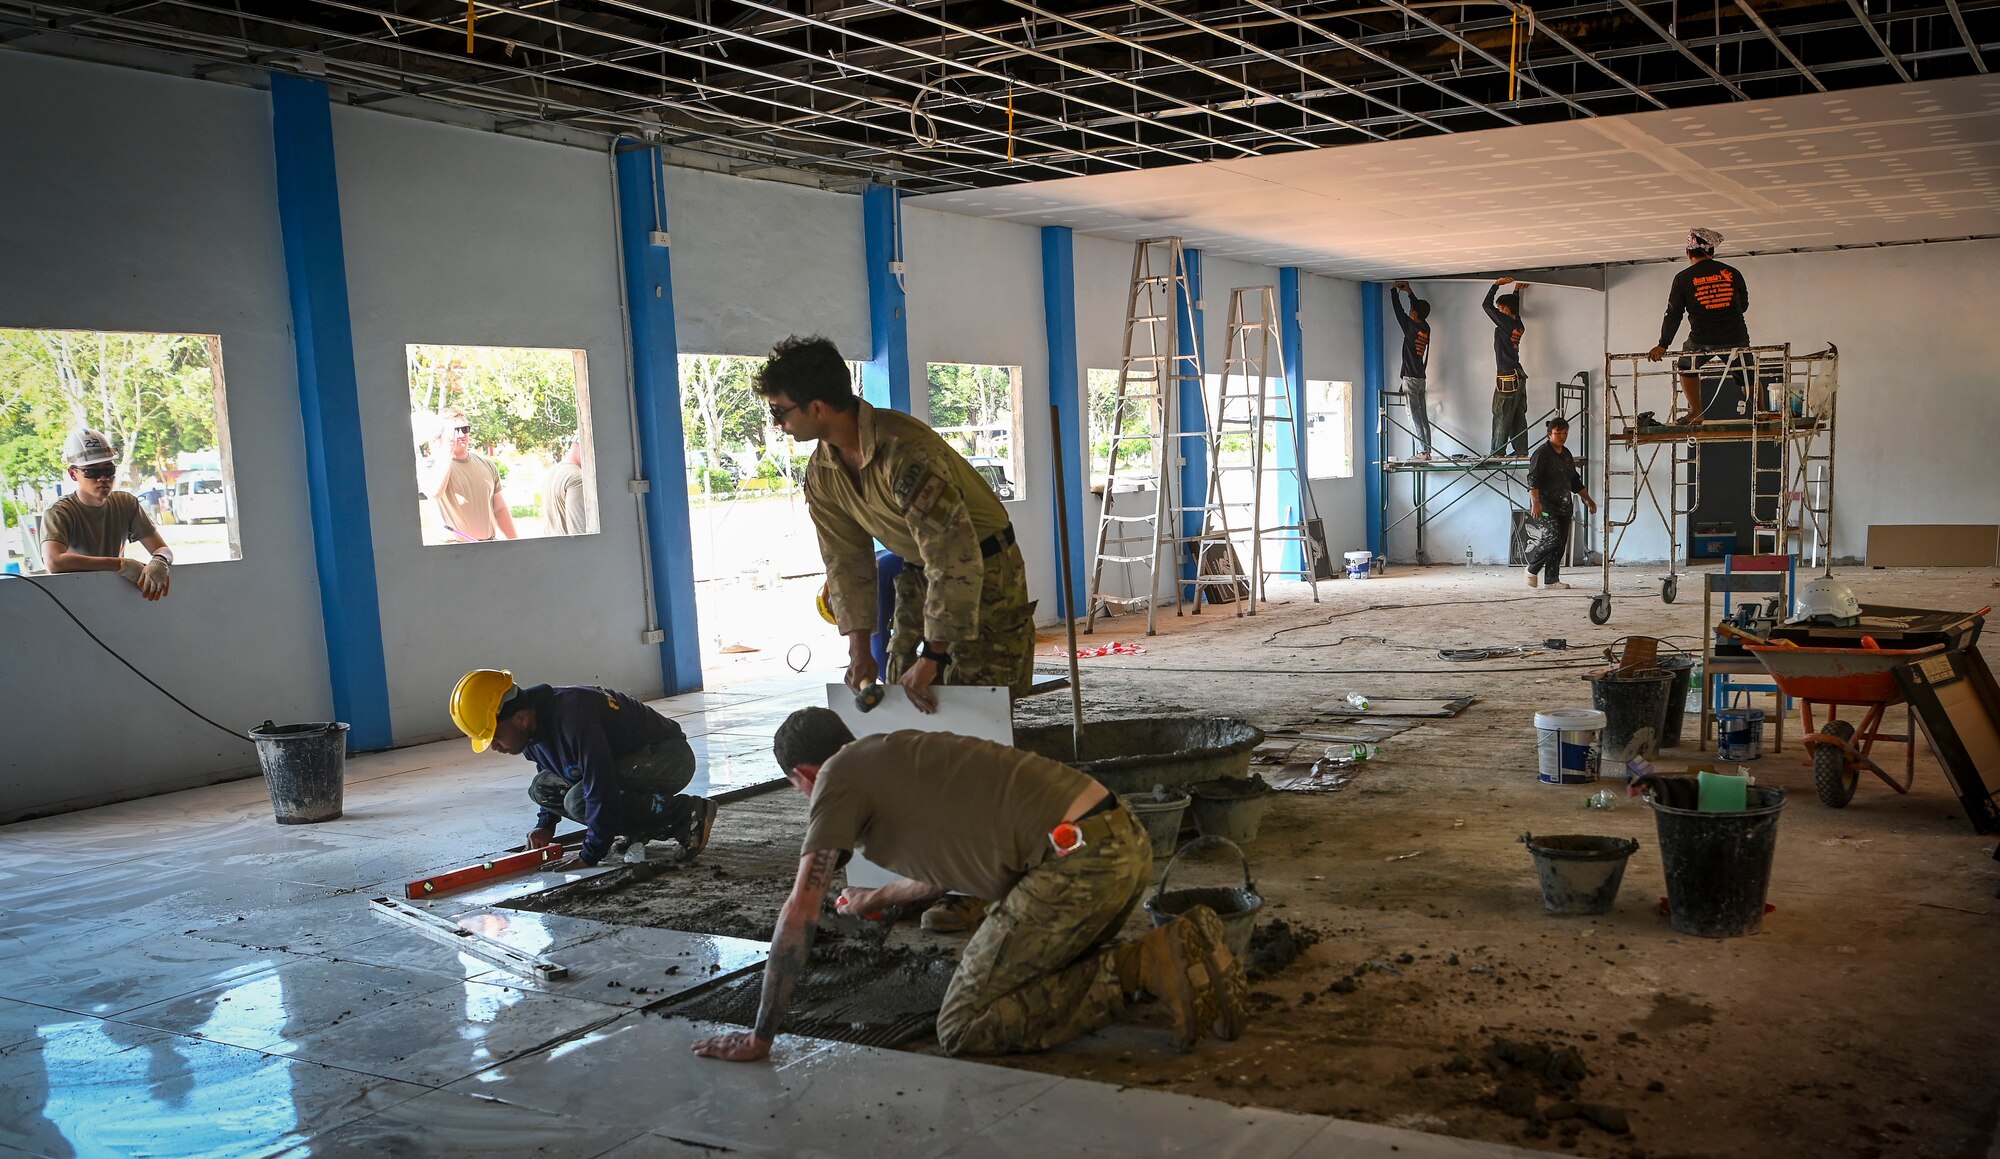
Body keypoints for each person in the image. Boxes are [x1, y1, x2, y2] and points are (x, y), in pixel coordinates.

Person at [689, 708, 1248, 1063]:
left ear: (804, 777)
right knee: (1019, 978)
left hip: (1075, 867)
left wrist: (761, 1036)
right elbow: (944, 869)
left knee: (961, 1025)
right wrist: (876, 897)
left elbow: (799, 912)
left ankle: (1147, 964)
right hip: (1115, 840)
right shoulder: (895, 755)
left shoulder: (834, 779)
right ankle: (1171, 952)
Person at [755, 335, 1035, 712]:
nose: (779, 425)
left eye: (780, 412)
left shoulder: (906, 453)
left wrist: (933, 657)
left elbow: (954, 557)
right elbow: (846, 562)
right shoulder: (823, 472)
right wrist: (858, 652)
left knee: (975, 700)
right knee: (903, 689)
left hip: (984, 570)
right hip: (920, 571)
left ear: (817, 407)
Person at [448, 669, 718, 869]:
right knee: (542, 788)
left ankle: (688, 814)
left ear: (520, 718)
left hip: (668, 758)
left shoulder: (573, 717)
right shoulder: (532, 731)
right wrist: (546, 826)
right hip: (630, 763)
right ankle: (641, 827)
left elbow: (600, 786)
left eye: (494, 736)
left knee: (580, 801)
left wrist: (590, 855)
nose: (494, 746)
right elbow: (554, 772)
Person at [39, 428, 173, 601]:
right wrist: (120, 564)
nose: (103, 478)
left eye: (109, 470)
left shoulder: (126, 504)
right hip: (74, 598)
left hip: (112, 595)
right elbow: (54, 561)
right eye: (92, 472)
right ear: (73, 474)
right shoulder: (60, 512)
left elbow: (162, 549)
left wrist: (160, 560)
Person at [1648, 228, 1751, 425]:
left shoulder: (1683, 278)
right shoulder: (1732, 273)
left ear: (1688, 253)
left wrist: (1663, 344)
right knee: (1747, 372)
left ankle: (1696, 411)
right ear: (1711, 252)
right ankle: (1761, 411)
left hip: (1702, 338)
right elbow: (1743, 305)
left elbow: (1674, 314)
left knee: (1687, 366)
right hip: (1735, 335)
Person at [1524, 415, 1597, 591]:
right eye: (1558, 433)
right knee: (1551, 538)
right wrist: (1535, 502)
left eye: (1565, 433)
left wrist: (1588, 500)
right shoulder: (1541, 453)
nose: (1562, 436)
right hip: (1545, 505)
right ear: (1550, 434)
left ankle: (1551, 580)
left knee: (1559, 544)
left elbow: (1575, 482)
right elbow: (1532, 479)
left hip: (1564, 506)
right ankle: (1531, 569)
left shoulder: (1566, 454)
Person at [423, 408, 516, 543]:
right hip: (453, 550)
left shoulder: (487, 465)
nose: (461, 434)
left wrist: (516, 544)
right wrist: (448, 450)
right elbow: (434, 492)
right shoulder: (431, 465)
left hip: (488, 545)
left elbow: (500, 509)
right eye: (455, 430)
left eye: (465, 429)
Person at [1484, 277, 1530, 458]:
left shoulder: (1505, 322)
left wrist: (1496, 285)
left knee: (1501, 413)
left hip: (1507, 375)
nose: (1499, 311)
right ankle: (1521, 451)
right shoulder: (1517, 323)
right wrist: (1516, 290)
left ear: (1505, 310)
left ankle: (1497, 452)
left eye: (1501, 308)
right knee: (1517, 415)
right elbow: (1514, 309)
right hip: (1518, 374)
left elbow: (1486, 306)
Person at [1390, 281, 1434, 459]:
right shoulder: (1425, 327)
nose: (1409, 312)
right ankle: (1427, 450)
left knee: (1413, 416)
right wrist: (1409, 292)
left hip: (1410, 378)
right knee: (1422, 416)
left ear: (1415, 314)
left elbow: (1398, 311)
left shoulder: (1410, 327)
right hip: (1421, 378)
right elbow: (1415, 309)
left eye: (1412, 311)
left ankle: (1422, 451)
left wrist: (1394, 291)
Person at [541, 436, 590, 536]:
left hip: (554, 548)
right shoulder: (578, 478)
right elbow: (580, 532)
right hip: (571, 550)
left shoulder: (551, 472)